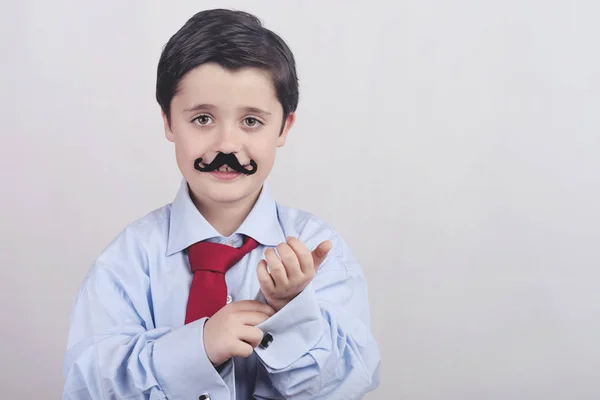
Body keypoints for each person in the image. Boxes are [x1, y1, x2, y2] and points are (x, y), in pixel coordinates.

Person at [62, 8, 381, 400]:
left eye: (251, 121)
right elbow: (90, 384)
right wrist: (197, 348)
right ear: (168, 122)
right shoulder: (126, 262)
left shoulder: (319, 253)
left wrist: (292, 312)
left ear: (284, 128)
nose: (227, 145)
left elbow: (346, 386)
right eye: (202, 119)